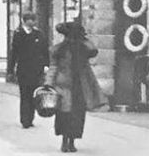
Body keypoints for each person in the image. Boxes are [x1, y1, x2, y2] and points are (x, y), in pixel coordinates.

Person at [46, 20, 105, 152]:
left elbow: (53, 68)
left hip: (67, 85)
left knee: (65, 114)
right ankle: (68, 142)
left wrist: (48, 83)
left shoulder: (60, 48)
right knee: (74, 115)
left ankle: (66, 141)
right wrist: (48, 83)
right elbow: (93, 49)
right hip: (72, 86)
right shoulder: (78, 48)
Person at [7, 12, 48, 129]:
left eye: (33, 19)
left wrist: (46, 65)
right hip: (23, 69)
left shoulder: (39, 34)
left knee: (34, 94)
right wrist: (10, 69)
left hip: (36, 70)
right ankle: (25, 119)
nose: (31, 22)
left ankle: (30, 118)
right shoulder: (19, 34)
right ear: (24, 21)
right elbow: (14, 53)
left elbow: (45, 51)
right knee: (24, 94)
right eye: (29, 19)